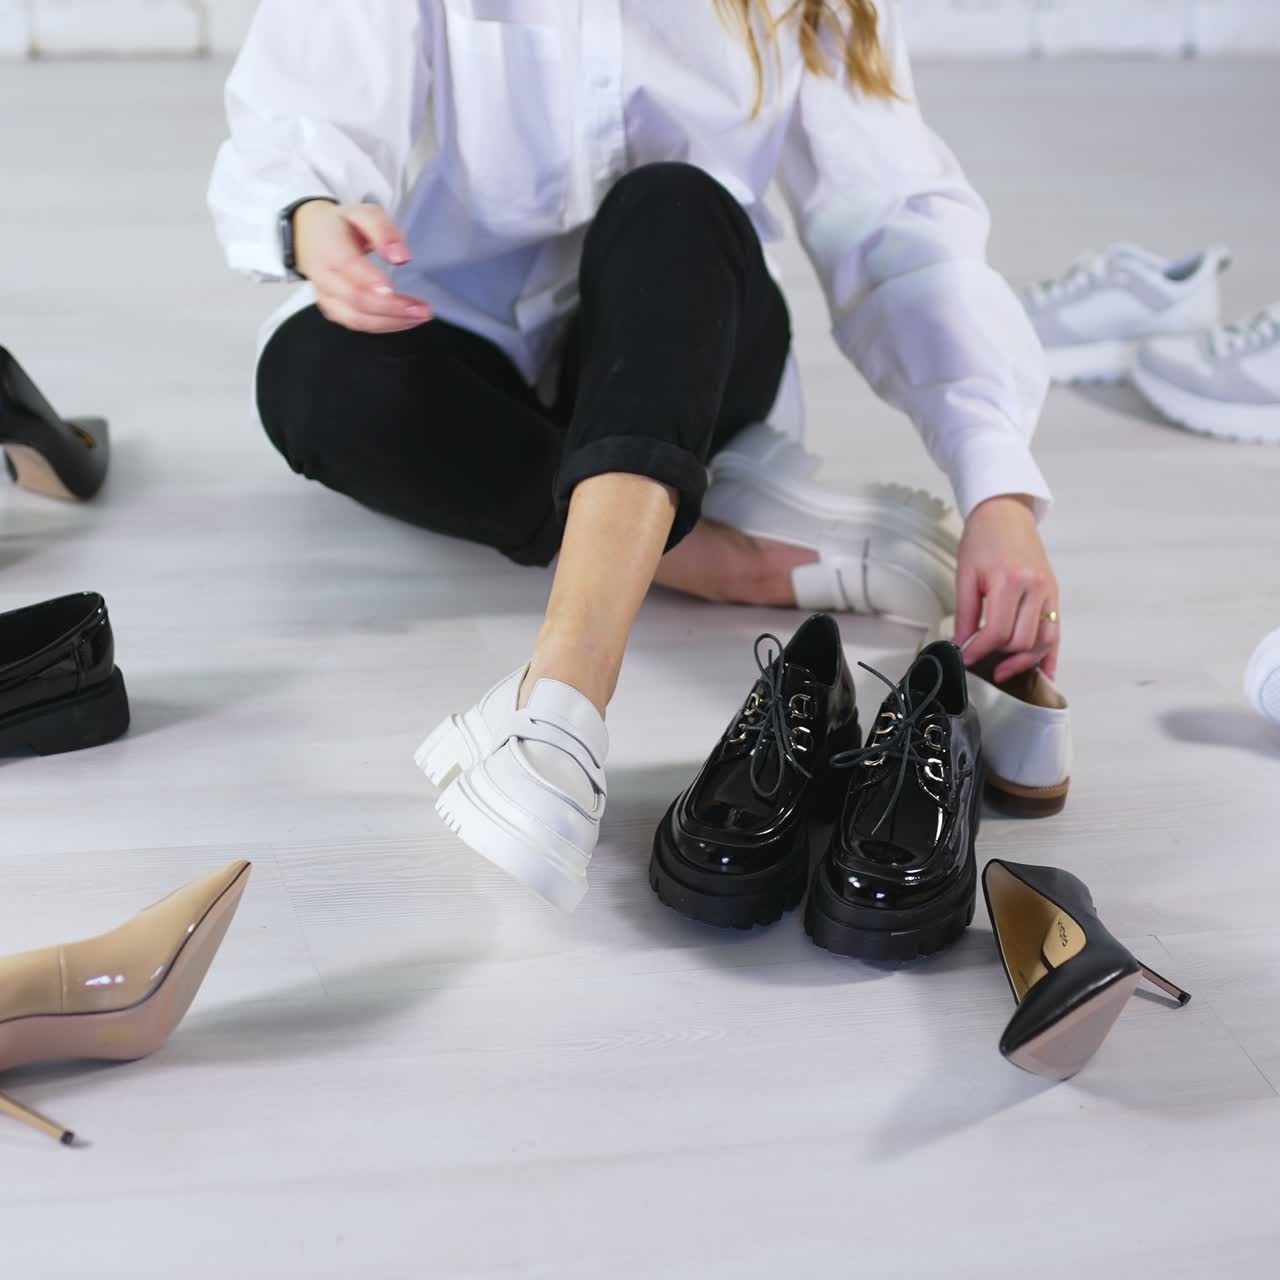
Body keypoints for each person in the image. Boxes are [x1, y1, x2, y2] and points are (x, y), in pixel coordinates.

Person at [209, 0, 1060, 908]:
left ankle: (563, 703)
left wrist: (996, 488)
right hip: (475, 332)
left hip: (693, 336)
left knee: (672, 198)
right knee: (311, 375)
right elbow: (313, 82)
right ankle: (708, 557)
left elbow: (897, 222)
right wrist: (309, 212)